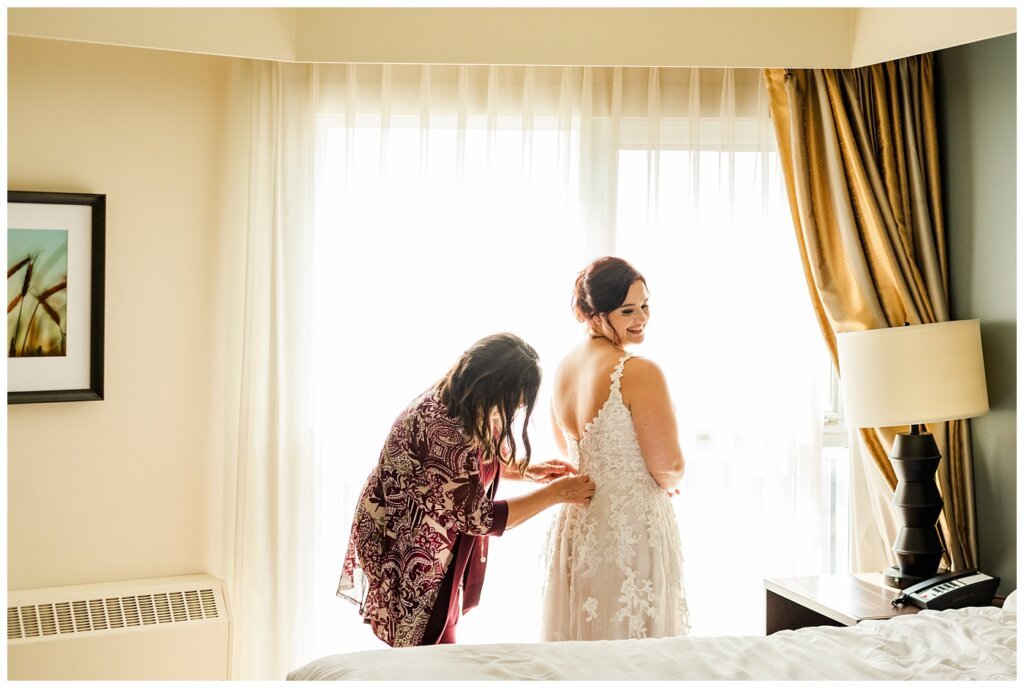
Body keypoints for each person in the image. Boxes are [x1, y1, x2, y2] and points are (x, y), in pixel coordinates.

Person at [338, 332, 596, 648]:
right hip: (408, 547)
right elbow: (480, 518)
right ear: (494, 386)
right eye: (518, 396)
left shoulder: (468, 402)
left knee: (437, 646)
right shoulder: (440, 426)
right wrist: (557, 493)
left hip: (433, 539)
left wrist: (528, 471)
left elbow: (468, 469)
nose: (520, 405)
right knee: (426, 650)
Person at [541, 256, 690, 641]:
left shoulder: (563, 369)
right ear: (591, 314)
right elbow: (669, 463)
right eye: (627, 310)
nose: (641, 317)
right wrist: (671, 480)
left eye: (645, 305)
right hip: (631, 529)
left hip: (579, 527)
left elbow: (570, 452)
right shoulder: (639, 371)